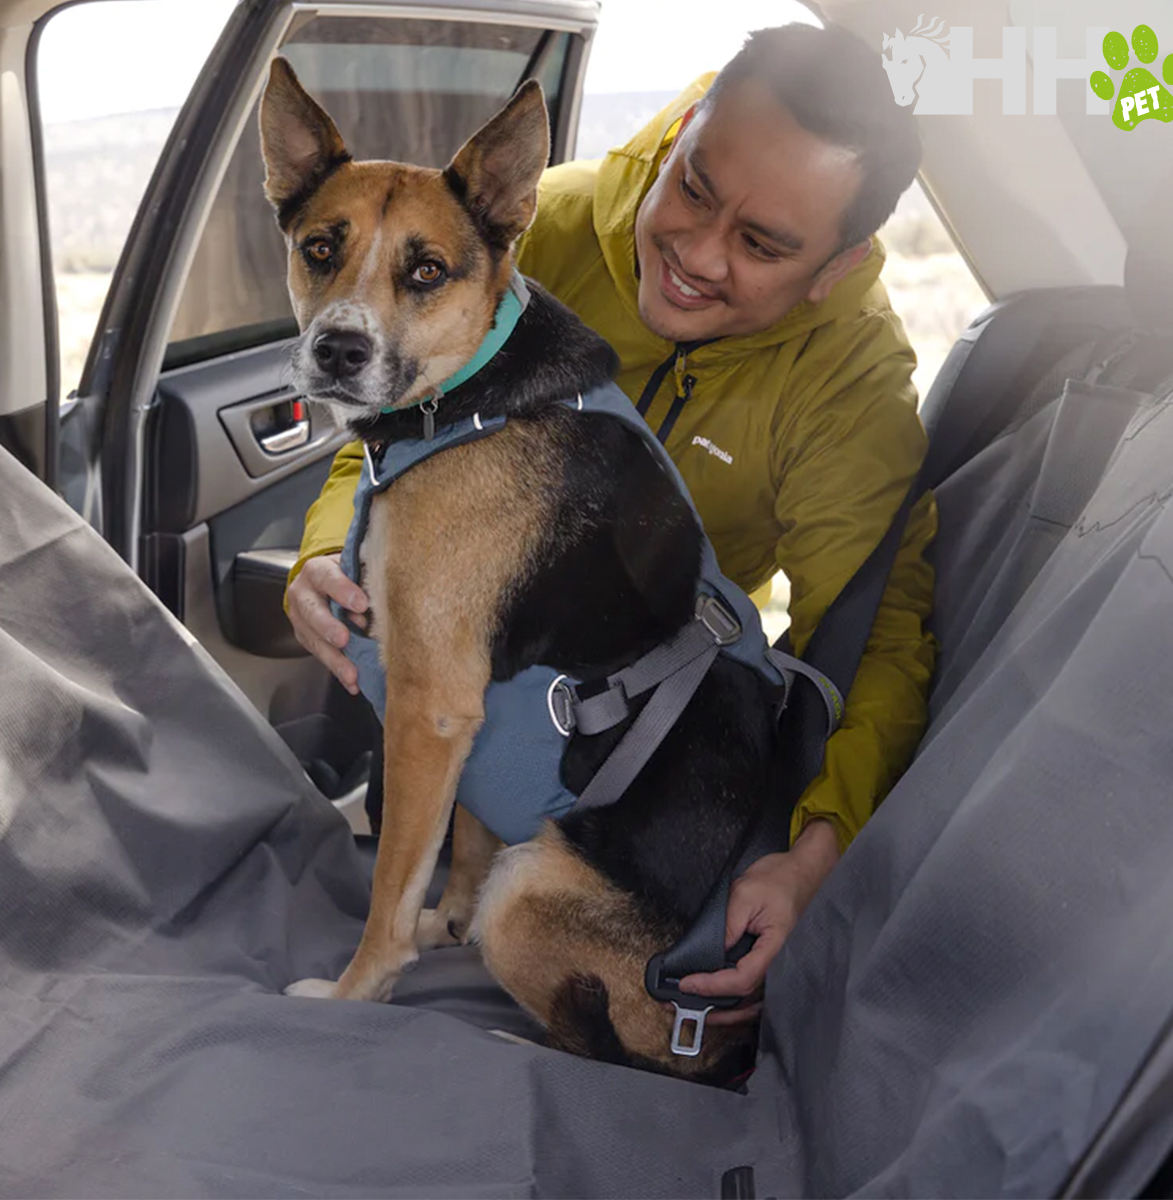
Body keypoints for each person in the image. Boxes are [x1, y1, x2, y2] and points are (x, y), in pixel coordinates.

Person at [284, 22, 936, 1022]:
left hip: (636, 707)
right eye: (696, 187)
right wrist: (326, 552)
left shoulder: (855, 391)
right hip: (493, 669)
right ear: (678, 131)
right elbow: (385, 424)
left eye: (761, 245)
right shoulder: (523, 227)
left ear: (837, 267)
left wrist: (816, 851)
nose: (694, 254)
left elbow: (875, 641)